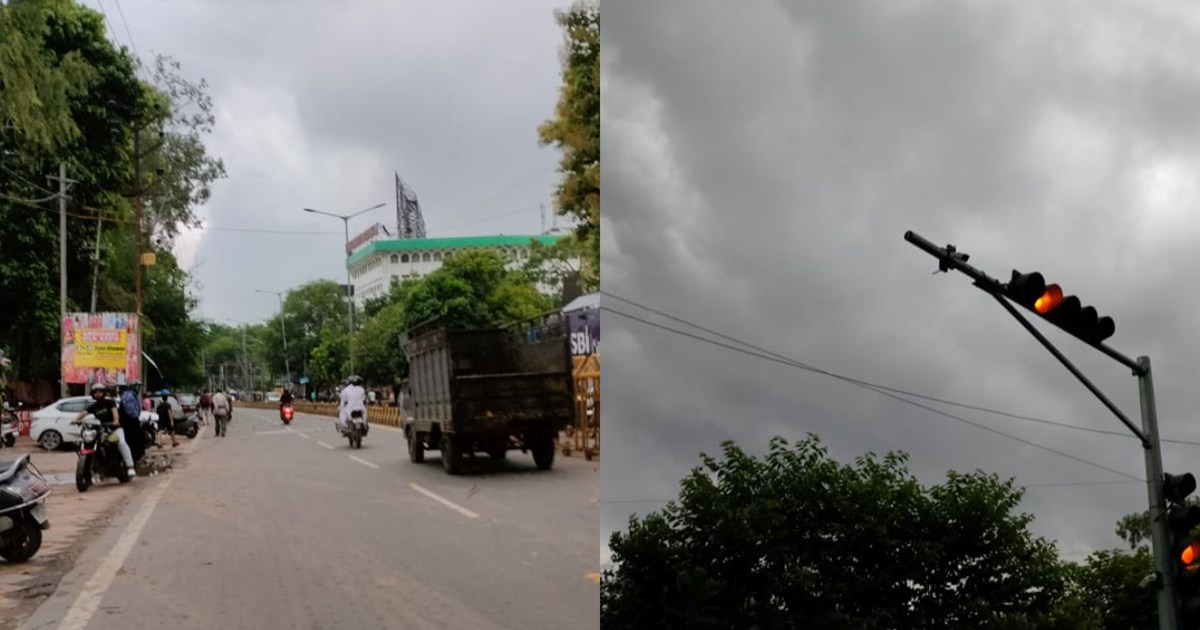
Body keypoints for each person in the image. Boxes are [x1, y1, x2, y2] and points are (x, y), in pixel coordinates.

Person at [74, 383, 135, 479]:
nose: (97, 394)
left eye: (100, 392)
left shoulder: (110, 402)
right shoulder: (93, 406)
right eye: (95, 393)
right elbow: (84, 413)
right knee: (93, 443)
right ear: (93, 394)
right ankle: (95, 468)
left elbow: (115, 413)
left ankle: (130, 466)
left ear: (104, 393)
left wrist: (115, 421)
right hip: (102, 429)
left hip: (115, 429)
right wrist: (76, 420)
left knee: (121, 443)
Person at [119, 379, 147, 464]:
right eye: (137, 387)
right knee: (135, 439)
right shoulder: (129, 396)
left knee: (139, 438)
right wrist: (136, 420)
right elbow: (131, 411)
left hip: (132, 421)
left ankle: (137, 458)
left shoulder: (133, 395)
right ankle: (134, 459)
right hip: (129, 422)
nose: (139, 388)